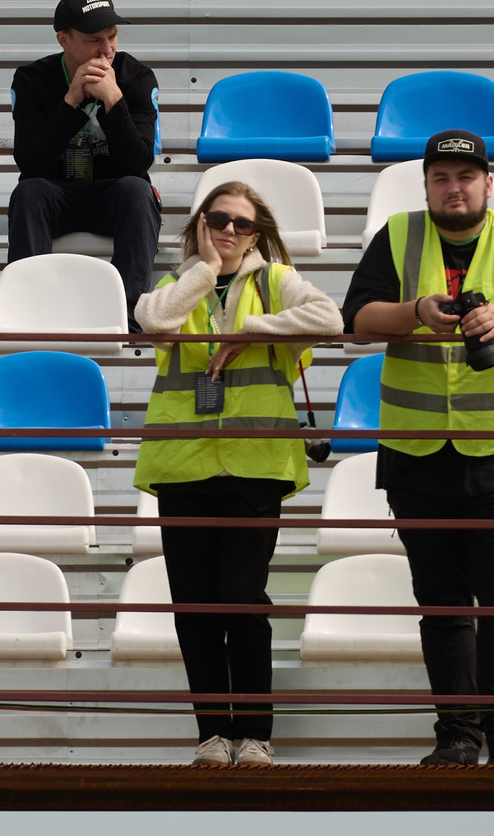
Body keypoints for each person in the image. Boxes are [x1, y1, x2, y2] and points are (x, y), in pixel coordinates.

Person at [339, 129, 494, 768]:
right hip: (416, 449)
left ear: (488, 183)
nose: (455, 188)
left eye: (466, 177)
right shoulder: (398, 233)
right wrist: (418, 311)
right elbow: (357, 320)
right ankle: (455, 734)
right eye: (442, 178)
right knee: (441, 601)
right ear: (426, 186)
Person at [135, 180, 343, 766]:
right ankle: (212, 733)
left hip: (255, 463)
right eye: (218, 219)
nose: (229, 230)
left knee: (242, 597)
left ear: (257, 234)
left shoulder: (275, 281)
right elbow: (154, 320)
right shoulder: (178, 282)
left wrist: (251, 331)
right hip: (182, 464)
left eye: (242, 223)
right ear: (200, 225)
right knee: (194, 604)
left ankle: (254, 732)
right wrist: (204, 270)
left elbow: (329, 317)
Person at [7, 0, 162, 315]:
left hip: (114, 194)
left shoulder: (137, 77)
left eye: (112, 36)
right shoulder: (32, 80)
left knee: (139, 191)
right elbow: (30, 163)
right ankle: (28, 314)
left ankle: (127, 315)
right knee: (28, 193)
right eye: (94, 39)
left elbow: (138, 163)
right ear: (64, 40)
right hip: (56, 194)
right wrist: (70, 103)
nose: (107, 49)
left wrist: (114, 100)